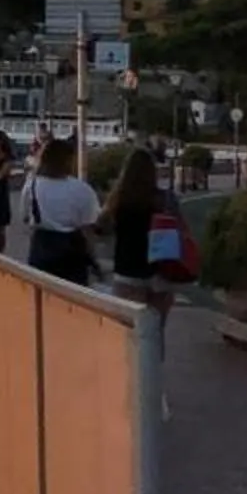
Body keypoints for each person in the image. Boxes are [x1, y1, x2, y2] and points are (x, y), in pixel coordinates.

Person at [105, 146, 188, 351]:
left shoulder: (118, 201)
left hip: (127, 272)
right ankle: (154, 375)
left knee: (129, 333)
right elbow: (181, 228)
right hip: (160, 272)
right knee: (155, 332)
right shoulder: (166, 199)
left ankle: (132, 378)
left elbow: (101, 228)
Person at [19, 136, 101, 285]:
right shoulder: (82, 190)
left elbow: (25, 217)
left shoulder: (32, 185)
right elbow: (88, 229)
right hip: (72, 251)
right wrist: (94, 260)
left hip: (41, 247)